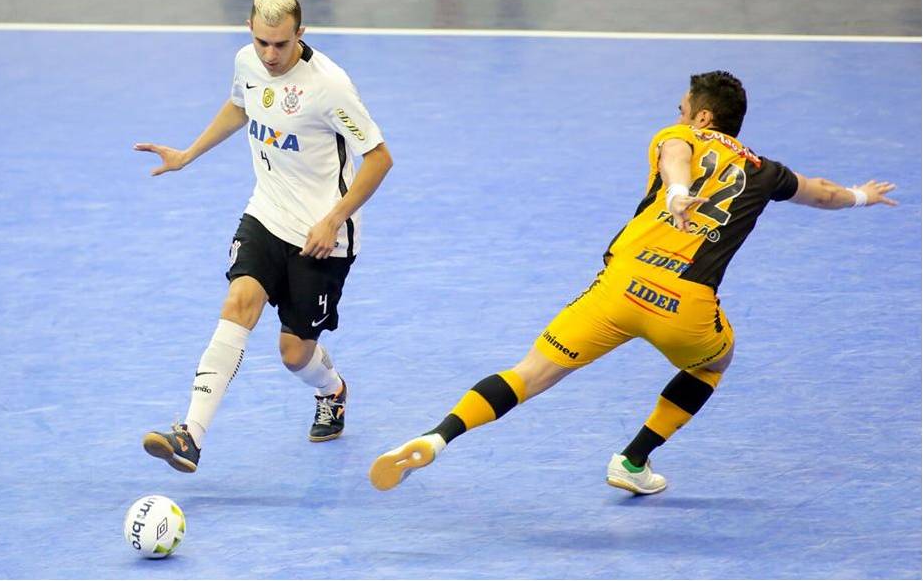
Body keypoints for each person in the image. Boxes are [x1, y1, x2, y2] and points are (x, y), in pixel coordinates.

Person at [369, 71, 896, 494]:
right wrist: (861, 196)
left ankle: (438, 437)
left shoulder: (679, 137)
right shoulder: (765, 170)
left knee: (527, 374)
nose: (678, 117)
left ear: (703, 117)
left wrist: (678, 193)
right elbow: (821, 192)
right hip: (684, 308)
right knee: (714, 362)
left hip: (618, 288)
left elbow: (676, 160)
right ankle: (633, 459)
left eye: (683, 109)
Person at [136, 0, 393, 473]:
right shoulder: (247, 62)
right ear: (249, 31)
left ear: (301, 33)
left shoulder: (330, 86)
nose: (270, 55)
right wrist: (188, 154)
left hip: (322, 237)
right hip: (266, 215)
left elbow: (379, 159)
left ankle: (332, 390)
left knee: (294, 354)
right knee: (238, 303)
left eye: (280, 44)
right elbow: (240, 105)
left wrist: (332, 219)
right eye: (261, 43)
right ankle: (191, 435)